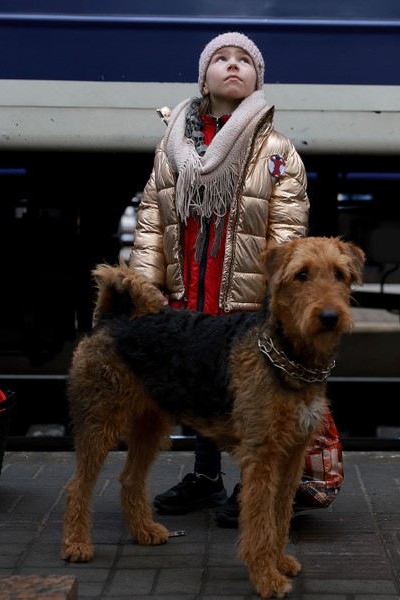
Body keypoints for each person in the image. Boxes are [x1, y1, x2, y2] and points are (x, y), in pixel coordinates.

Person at [127, 32, 310, 526]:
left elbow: (288, 234)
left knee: (250, 396)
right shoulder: (173, 148)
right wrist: (147, 285)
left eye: (245, 61)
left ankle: (248, 485)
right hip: (191, 286)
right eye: (221, 59)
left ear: (257, 80)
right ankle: (205, 478)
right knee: (197, 386)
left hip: (246, 297)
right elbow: (151, 218)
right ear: (203, 78)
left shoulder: (276, 151)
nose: (234, 66)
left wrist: (281, 299)